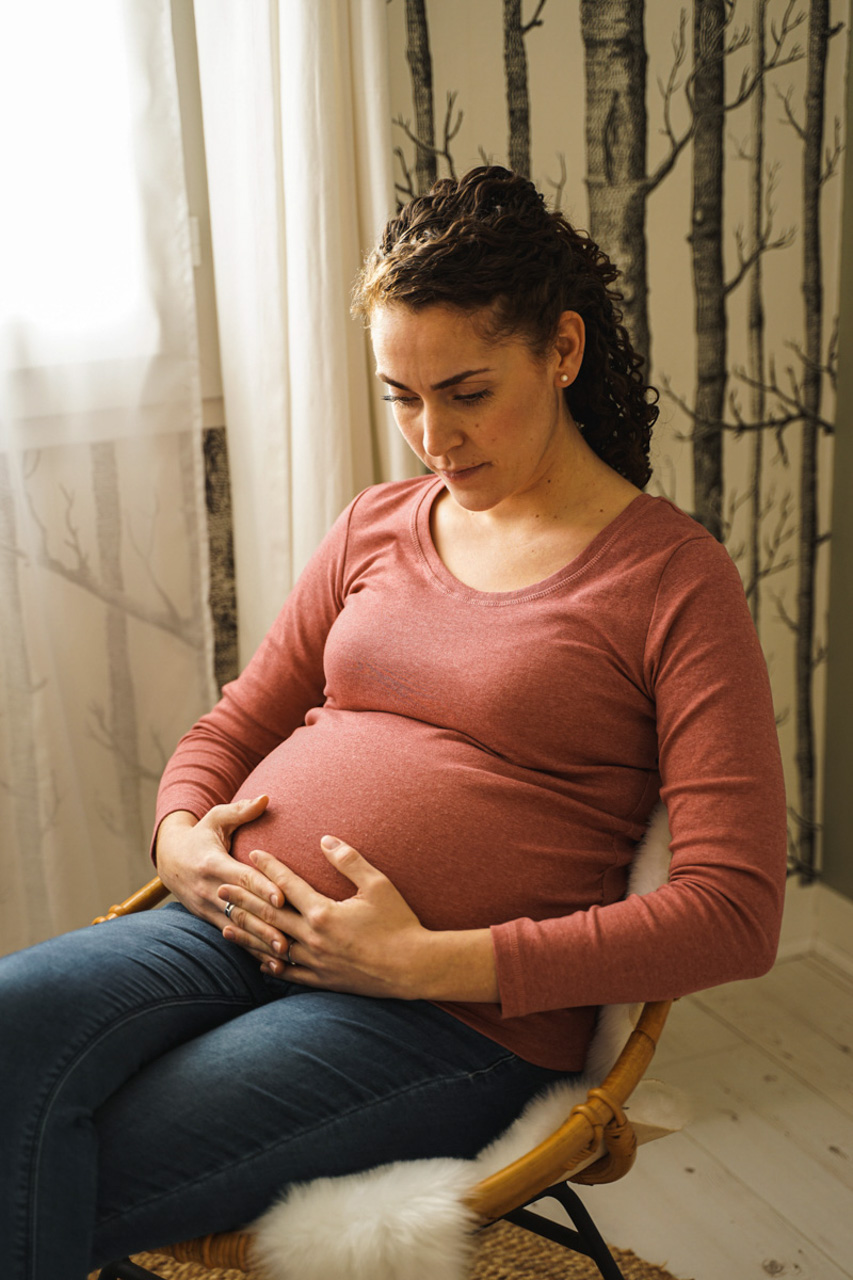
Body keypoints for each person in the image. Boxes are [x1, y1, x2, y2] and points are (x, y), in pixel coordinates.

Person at [0, 166, 787, 1280]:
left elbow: (735, 911)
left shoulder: (672, 579)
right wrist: (182, 840)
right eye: (401, 397)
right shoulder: (377, 522)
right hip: (236, 927)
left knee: (68, 1154)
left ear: (561, 351)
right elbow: (233, 723)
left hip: (444, 1020)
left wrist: (423, 962)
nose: (433, 435)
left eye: (467, 392)